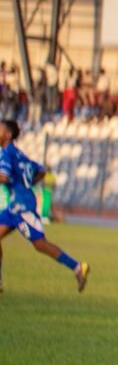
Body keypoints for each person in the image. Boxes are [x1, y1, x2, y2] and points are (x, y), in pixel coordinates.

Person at [0, 119, 90, 294]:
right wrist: (26, 184)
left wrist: (20, 186)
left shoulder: (6, 154)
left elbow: (3, 177)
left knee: (40, 244)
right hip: (16, 205)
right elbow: (40, 170)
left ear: (8, 135)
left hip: (22, 207)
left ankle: (78, 267)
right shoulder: (19, 154)